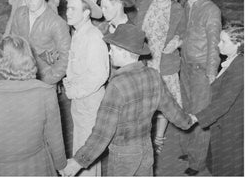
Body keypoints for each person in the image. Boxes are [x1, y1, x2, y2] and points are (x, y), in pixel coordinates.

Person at [60, 24, 197, 177]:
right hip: (146, 148)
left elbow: (102, 133)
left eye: (113, 49)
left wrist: (78, 162)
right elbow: (172, 110)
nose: (110, 52)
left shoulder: (117, 86)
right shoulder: (153, 75)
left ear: (125, 53)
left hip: (122, 153)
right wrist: (188, 121)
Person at [0, 35, 67, 176]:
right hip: (39, 167)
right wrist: (61, 165)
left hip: (1, 171)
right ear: (28, 58)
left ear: (0, 61)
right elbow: (55, 137)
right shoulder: (46, 92)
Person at [176, 0, 221, 176]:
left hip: (201, 70)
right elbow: (187, 33)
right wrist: (178, 43)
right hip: (185, 66)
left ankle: (197, 162)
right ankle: (187, 150)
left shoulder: (211, 11)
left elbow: (214, 44)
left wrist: (211, 74)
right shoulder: (188, 5)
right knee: (186, 110)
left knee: (200, 115)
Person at [60, 0, 109, 176]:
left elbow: (99, 75)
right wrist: (70, 80)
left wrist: (75, 90)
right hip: (80, 103)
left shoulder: (93, 37)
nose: (68, 12)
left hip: (90, 103)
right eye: (68, 7)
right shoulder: (78, 32)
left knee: (86, 154)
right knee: (81, 149)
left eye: (73, 8)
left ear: (87, 12)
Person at [136, 0, 186, 153]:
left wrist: (177, 41)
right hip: (146, 61)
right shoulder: (145, 4)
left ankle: (158, 138)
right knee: (145, 103)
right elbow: (137, 28)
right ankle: (144, 138)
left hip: (165, 63)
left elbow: (184, 32)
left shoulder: (178, 9)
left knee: (164, 102)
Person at [193, 21, 244, 176]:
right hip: (226, 122)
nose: (218, 45)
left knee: (228, 168)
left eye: (224, 42)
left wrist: (196, 118)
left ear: (239, 44)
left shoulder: (240, 67)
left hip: (232, 126)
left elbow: (224, 102)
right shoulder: (234, 60)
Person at [10, 0, 70, 87]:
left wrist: (48, 80)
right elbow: (13, 43)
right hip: (20, 76)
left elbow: (66, 57)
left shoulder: (57, 23)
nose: (29, 0)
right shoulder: (19, 13)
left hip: (44, 81)